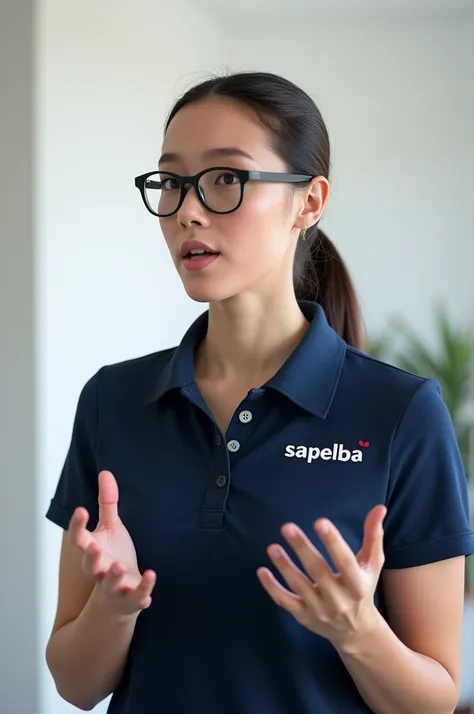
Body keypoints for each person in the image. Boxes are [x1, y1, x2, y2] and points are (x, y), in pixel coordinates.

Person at [45, 71, 474, 714]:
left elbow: (434, 701)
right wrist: (113, 606)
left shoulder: (401, 413)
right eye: (171, 181)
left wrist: (357, 631)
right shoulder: (113, 401)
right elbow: (76, 686)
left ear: (309, 202)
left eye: (225, 179)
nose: (187, 209)